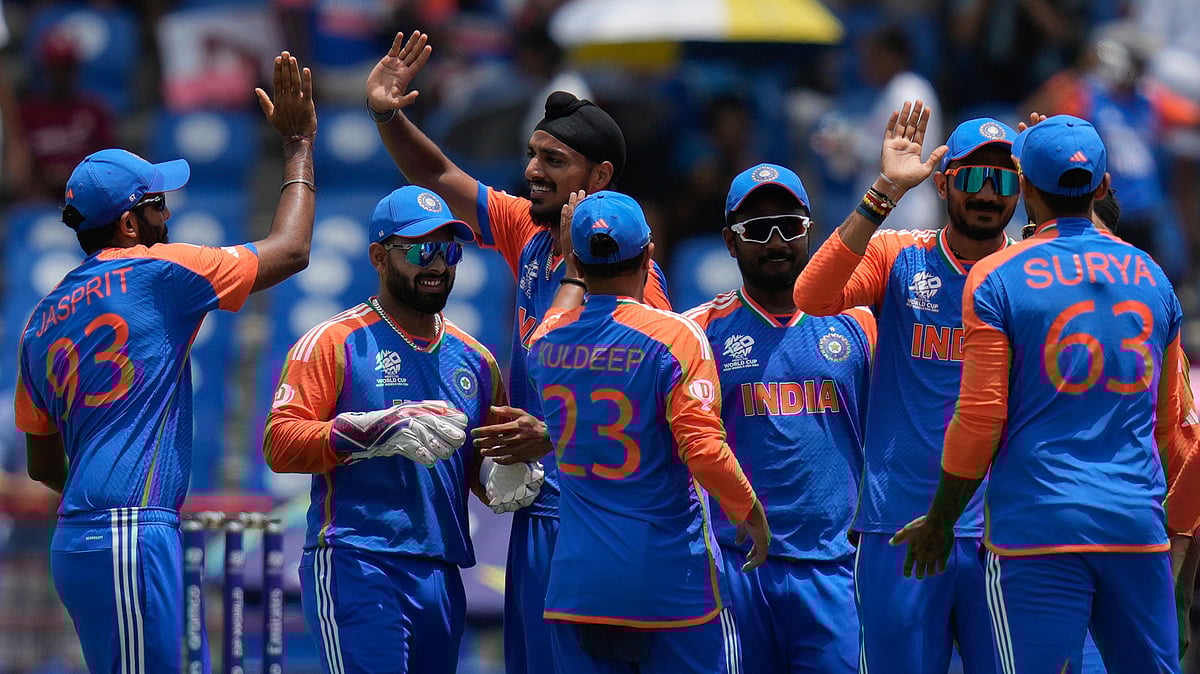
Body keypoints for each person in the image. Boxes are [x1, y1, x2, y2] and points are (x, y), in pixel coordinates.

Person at [365, 30, 672, 673]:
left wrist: (555, 431)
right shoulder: (527, 235)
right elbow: (436, 174)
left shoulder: (633, 280)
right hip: (536, 511)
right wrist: (387, 112)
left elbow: (651, 401)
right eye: (533, 154)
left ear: (600, 176)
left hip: (594, 520)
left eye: (553, 160)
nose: (532, 170)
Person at [12, 52, 316, 673]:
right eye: (156, 204)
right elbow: (291, 250)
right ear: (128, 222)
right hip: (130, 532)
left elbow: (44, 462)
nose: (167, 214)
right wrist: (299, 144)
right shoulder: (161, 272)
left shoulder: (39, 319)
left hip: (82, 535)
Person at [892, 114, 1198, 671]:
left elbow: (979, 420)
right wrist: (1178, 556)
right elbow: (1174, 430)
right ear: (1105, 187)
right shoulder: (1153, 276)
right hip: (1136, 526)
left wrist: (940, 519)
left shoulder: (998, 277)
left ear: (1024, 186)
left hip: (1038, 532)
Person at [262, 185, 537, 673]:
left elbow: (482, 469)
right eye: (419, 250)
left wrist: (506, 478)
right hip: (357, 560)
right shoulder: (336, 341)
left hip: (444, 572)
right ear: (378, 256)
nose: (437, 266)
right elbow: (280, 444)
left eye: (449, 251)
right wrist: (368, 433)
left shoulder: (477, 359)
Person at [793, 101, 1018, 673]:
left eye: (1003, 179)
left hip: (1008, 529)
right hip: (898, 524)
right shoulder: (900, 255)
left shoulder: (1032, 272)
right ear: (944, 184)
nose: (988, 194)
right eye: (972, 177)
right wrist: (885, 190)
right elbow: (812, 297)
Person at [526, 189, 770, 672]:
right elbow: (702, 449)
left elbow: (561, 309)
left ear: (576, 259)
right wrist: (750, 511)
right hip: (671, 582)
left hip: (580, 584)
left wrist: (573, 263)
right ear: (649, 256)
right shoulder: (676, 336)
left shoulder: (544, 339)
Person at [682, 163, 874, 673]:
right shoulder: (697, 332)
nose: (774, 241)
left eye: (788, 226)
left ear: (809, 230)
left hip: (836, 568)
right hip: (736, 569)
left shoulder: (858, 324)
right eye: (756, 229)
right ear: (729, 240)